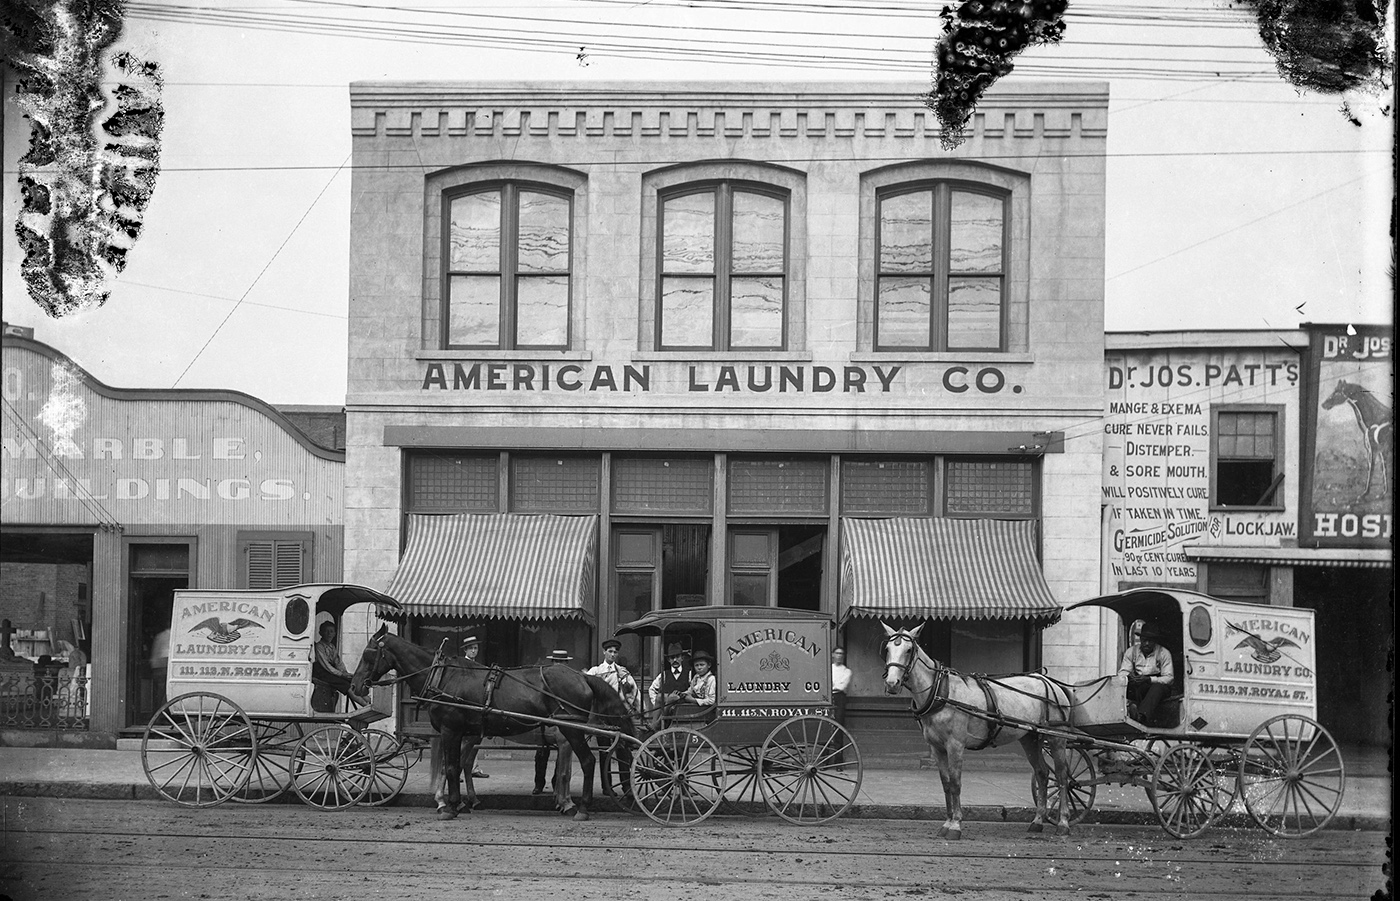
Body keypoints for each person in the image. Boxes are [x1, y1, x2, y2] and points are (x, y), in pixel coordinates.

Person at [534, 650, 574, 793]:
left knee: (562, 753)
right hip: (544, 719)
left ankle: (556, 782)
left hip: (562, 719)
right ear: (553, 663)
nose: (559, 665)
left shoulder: (569, 679)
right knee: (541, 752)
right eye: (556, 662)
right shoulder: (544, 678)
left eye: (562, 662)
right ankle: (539, 783)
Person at [1119, 621, 1174, 725]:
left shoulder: (1164, 653)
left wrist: (1149, 679)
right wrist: (1129, 677)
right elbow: (1122, 674)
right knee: (1130, 687)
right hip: (1140, 683)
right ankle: (1128, 711)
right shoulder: (1131, 652)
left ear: (1155, 641)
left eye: (1151, 641)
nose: (1147, 643)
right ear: (1140, 639)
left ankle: (1141, 716)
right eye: (1145, 640)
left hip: (1159, 687)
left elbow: (1169, 678)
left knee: (1157, 688)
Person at [313, 621, 369, 710]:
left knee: (353, 681)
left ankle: (369, 702)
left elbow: (338, 662)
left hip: (331, 671)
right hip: (322, 672)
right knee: (345, 685)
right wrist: (341, 675)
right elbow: (326, 665)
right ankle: (365, 706)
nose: (329, 634)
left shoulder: (332, 647)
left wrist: (345, 673)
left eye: (331, 631)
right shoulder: (319, 647)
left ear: (335, 633)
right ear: (320, 633)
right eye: (326, 631)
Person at [585, 638, 641, 714]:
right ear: (604, 652)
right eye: (610, 651)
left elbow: (634, 691)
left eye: (615, 652)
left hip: (617, 709)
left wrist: (640, 709)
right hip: (598, 709)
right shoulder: (595, 671)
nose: (612, 655)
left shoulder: (622, 672)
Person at [647, 642, 691, 728]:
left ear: (682, 658)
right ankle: (655, 723)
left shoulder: (689, 673)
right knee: (659, 697)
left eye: (677, 657)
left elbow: (692, 689)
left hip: (682, 703)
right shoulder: (663, 675)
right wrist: (657, 704)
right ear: (668, 660)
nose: (675, 660)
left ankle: (655, 725)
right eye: (672, 657)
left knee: (672, 697)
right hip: (667, 704)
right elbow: (652, 690)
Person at [150, 628, 170, 709]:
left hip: (158, 665)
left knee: (160, 692)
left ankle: (160, 712)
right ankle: (162, 713)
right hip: (163, 665)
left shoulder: (160, 635)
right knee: (163, 692)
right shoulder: (168, 635)